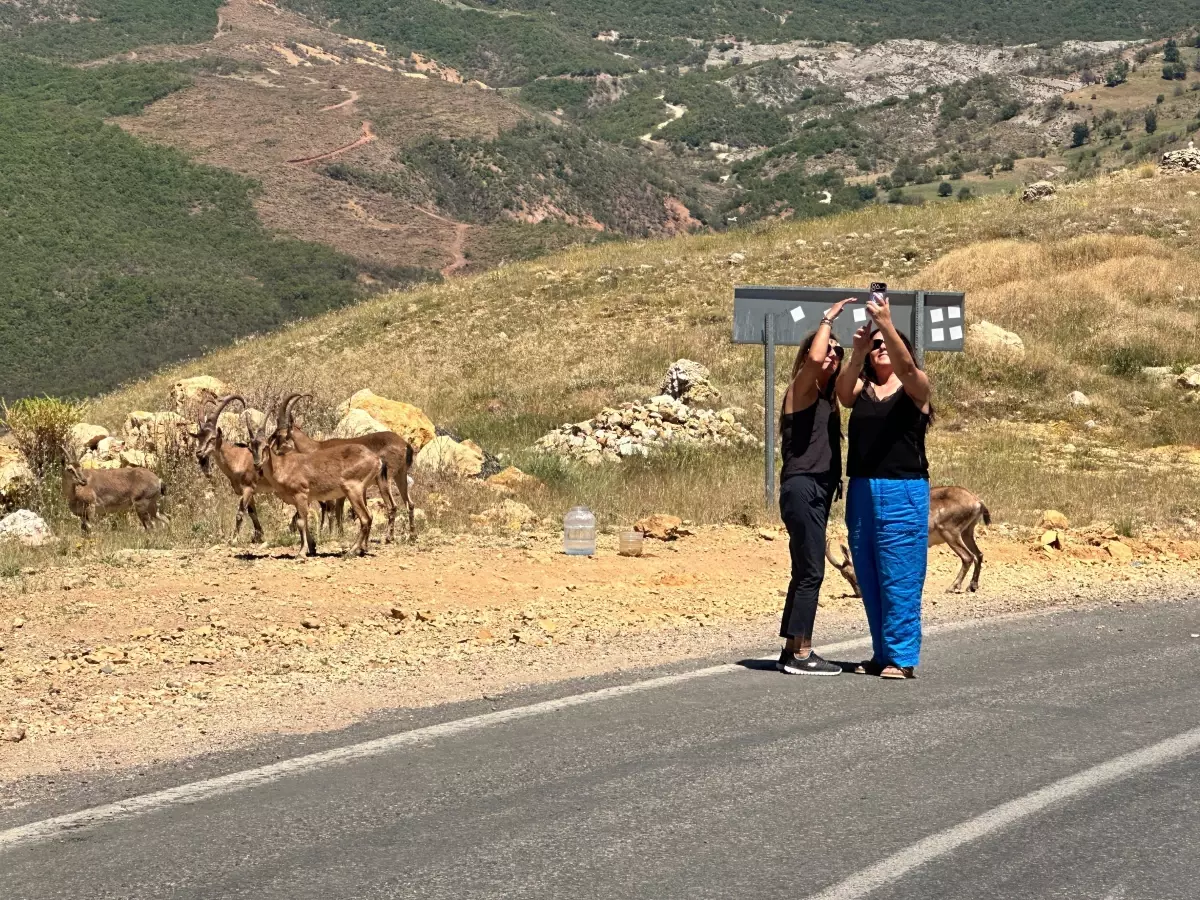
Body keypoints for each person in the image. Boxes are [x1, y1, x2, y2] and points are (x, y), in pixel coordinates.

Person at [835, 292, 932, 680]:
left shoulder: (916, 389)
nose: (880, 348)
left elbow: (909, 370)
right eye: (875, 345)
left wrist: (887, 324)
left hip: (903, 491)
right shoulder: (860, 391)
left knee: (901, 575)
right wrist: (858, 350)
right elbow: (842, 393)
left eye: (886, 344)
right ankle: (881, 653)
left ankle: (902, 657)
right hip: (862, 489)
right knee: (871, 575)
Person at [776, 298, 852, 676]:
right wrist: (827, 320)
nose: (833, 355)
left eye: (839, 351)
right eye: (829, 348)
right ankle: (803, 653)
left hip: (815, 491)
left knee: (803, 569)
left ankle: (792, 648)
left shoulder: (826, 399)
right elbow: (814, 358)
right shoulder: (801, 390)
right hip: (803, 488)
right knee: (812, 573)